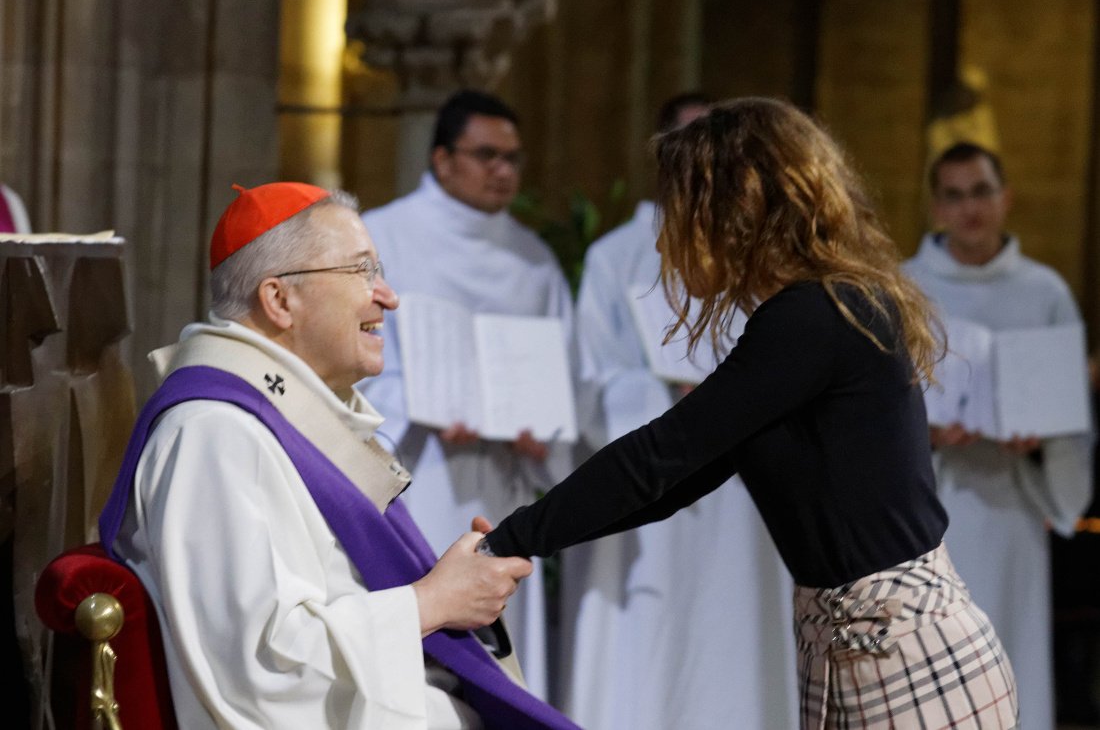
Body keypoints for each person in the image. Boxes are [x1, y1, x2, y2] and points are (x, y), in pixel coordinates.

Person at [483, 98, 1020, 728]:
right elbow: (677, 479)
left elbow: (659, 455)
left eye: (680, 210)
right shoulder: (813, 312)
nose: (666, 235)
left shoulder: (815, 316)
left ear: (738, 209)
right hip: (859, 649)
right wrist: (516, 547)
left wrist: (504, 544)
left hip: (903, 658)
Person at [97, 182, 580, 729]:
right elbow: (257, 668)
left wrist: (452, 588)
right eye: (361, 271)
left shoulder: (279, 420)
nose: (388, 296)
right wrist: (432, 602)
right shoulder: (214, 433)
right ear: (279, 300)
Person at [562, 92, 796, 729]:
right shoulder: (619, 255)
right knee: (648, 647)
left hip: (744, 492)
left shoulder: (764, 253)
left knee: (736, 638)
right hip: (654, 480)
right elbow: (591, 378)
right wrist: (670, 394)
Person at [357, 90, 574, 697]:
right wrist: (422, 403)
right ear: (443, 159)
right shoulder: (383, 235)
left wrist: (546, 430)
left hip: (501, 479)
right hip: (419, 470)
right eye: (487, 155)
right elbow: (352, 353)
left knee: (499, 641)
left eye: (513, 158)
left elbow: (567, 370)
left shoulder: (533, 260)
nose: (503, 170)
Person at [904, 141, 1092, 730]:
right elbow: (870, 410)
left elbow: (1072, 419)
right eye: (954, 196)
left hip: (1011, 511)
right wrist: (926, 434)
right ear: (936, 207)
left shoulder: (1046, 293)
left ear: (1006, 198)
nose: (970, 209)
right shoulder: (905, 289)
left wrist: (1037, 444)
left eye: (981, 191)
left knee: (1005, 661)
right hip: (930, 513)